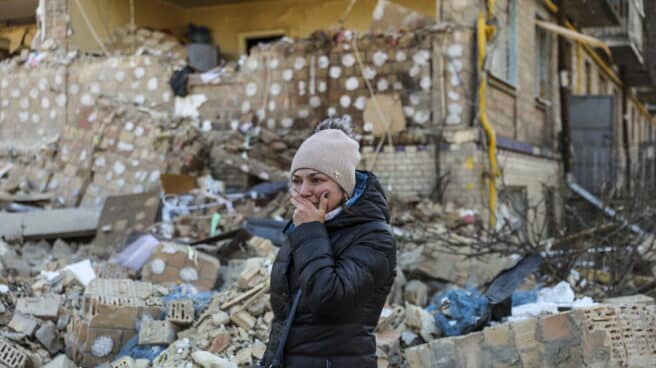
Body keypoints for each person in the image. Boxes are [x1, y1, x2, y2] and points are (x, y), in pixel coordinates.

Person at [261, 117, 397, 368]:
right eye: (297, 180)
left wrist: (311, 230)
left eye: (316, 180)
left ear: (343, 184)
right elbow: (285, 320)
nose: (303, 191)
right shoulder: (303, 228)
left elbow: (329, 299)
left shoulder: (374, 237)